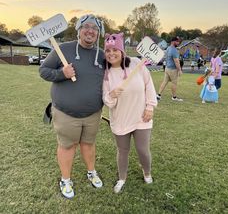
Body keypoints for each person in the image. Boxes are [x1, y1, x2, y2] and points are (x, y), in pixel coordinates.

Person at [39, 14, 105, 199]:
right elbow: (43, 70)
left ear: (98, 33)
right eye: (86, 27)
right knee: (67, 146)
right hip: (66, 112)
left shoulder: (102, 54)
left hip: (93, 113)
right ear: (78, 30)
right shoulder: (63, 49)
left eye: (95, 28)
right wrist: (62, 73)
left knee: (88, 144)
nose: (90, 31)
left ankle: (91, 171)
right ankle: (65, 180)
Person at [102, 33, 157, 193]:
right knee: (122, 150)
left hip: (141, 117)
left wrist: (150, 106)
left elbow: (149, 85)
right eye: (107, 51)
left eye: (115, 49)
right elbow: (107, 100)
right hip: (120, 119)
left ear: (122, 51)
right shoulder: (106, 74)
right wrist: (112, 95)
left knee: (142, 149)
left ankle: (147, 173)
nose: (111, 53)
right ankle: (122, 178)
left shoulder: (136, 64)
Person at [156, 36, 183, 102]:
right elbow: (176, 61)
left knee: (164, 82)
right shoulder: (174, 50)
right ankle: (174, 97)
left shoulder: (168, 48)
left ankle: (158, 95)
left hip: (167, 68)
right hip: (172, 69)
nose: (178, 43)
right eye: (177, 41)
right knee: (174, 83)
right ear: (173, 42)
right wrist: (179, 70)